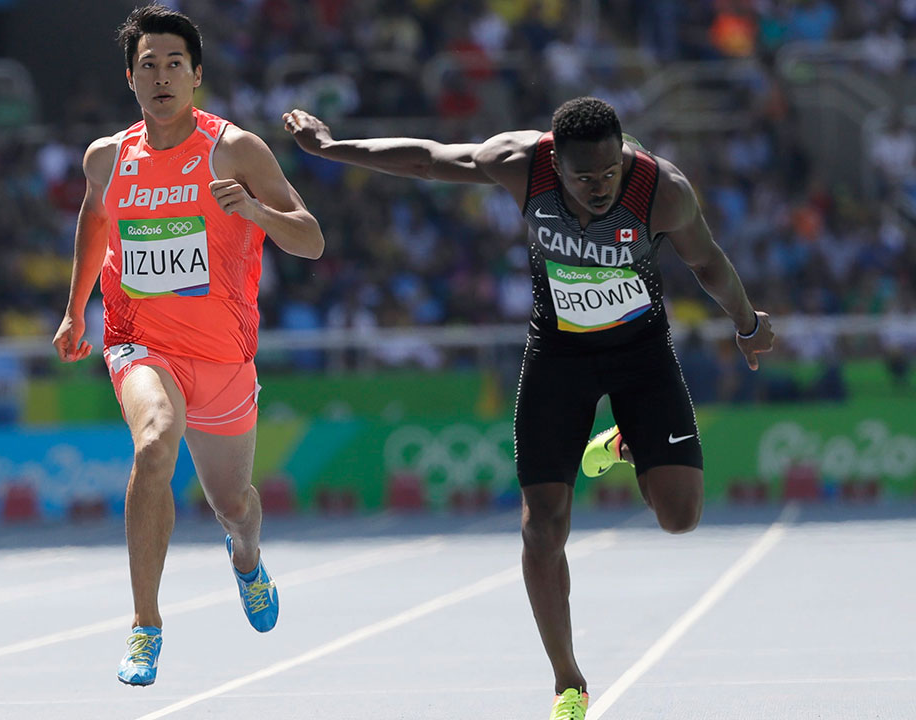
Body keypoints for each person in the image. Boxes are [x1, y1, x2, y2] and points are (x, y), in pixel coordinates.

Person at [285, 97, 774, 719]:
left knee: (680, 517)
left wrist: (748, 322)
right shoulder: (520, 162)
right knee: (543, 526)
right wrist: (332, 148)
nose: (597, 190)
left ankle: (626, 440)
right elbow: (429, 159)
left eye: (607, 176)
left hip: (641, 354)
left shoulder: (662, 189)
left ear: (624, 155)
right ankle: (568, 682)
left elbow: (706, 261)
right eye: (582, 178)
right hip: (558, 356)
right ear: (556, 164)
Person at [51, 4, 323, 687]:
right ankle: (146, 624)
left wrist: (256, 212)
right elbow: (93, 221)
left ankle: (246, 556)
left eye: (175, 64)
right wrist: (75, 311)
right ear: (131, 78)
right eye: (149, 65)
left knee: (235, 505)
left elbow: (311, 238)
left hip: (225, 361)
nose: (162, 76)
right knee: (153, 444)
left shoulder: (235, 149)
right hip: (140, 346)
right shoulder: (108, 157)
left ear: (196, 75)